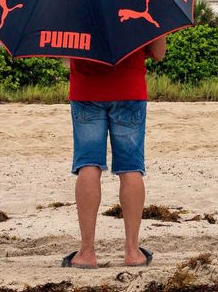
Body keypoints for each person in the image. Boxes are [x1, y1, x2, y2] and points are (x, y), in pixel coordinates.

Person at [60, 36, 167, 270]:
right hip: (129, 90)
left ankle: (87, 252)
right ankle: (132, 251)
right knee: (130, 167)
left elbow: (65, 57)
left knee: (88, 164)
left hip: (86, 91)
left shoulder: (75, 2)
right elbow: (158, 53)